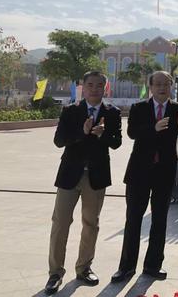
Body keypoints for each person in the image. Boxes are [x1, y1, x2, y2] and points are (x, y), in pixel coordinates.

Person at [111, 71, 178, 282]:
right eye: (158, 84)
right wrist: (153, 128)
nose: (162, 88)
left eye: (166, 84)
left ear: (171, 86)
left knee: (159, 220)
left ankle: (153, 266)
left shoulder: (177, 109)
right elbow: (132, 133)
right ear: (150, 86)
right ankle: (126, 267)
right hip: (139, 172)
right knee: (133, 220)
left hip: (164, 173)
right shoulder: (139, 108)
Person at [44, 71, 122, 294]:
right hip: (70, 175)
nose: (95, 89)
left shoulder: (112, 113)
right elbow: (59, 141)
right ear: (83, 87)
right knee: (60, 223)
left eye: (99, 85)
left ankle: (84, 268)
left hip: (96, 178)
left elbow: (116, 143)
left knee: (91, 224)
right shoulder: (71, 110)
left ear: (105, 88)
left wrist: (102, 135)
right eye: (90, 85)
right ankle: (55, 273)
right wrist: (82, 132)